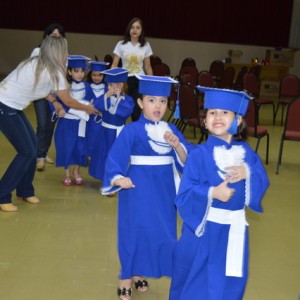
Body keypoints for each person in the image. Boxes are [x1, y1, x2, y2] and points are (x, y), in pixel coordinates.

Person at [169, 86, 270, 300]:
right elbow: (185, 193)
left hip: (233, 233)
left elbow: (262, 181)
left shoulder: (247, 155)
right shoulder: (198, 156)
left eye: (225, 113)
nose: (218, 117)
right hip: (203, 232)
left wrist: (248, 173)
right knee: (197, 285)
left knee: (227, 285)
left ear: (238, 120)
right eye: (212, 112)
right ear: (205, 121)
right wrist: (212, 192)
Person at [101, 75, 195, 300]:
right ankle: (126, 276)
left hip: (164, 192)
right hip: (137, 190)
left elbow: (187, 158)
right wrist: (117, 178)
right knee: (134, 231)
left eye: (163, 101)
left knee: (159, 233)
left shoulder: (171, 129)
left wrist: (178, 145)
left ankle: (141, 271)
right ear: (141, 103)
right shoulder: (131, 130)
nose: (158, 106)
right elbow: (115, 158)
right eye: (152, 100)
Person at [0, 36, 98, 212]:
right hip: (5, 107)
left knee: (33, 146)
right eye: (65, 51)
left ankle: (25, 190)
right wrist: (87, 109)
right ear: (57, 53)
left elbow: (40, 88)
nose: (67, 54)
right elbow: (69, 101)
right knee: (26, 151)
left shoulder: (40, 58)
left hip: (11, 106)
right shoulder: (56, 72)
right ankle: (2, 194)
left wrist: (53, 101)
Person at [31, 23, 66, 171]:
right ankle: (39, 156)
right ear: (46, 37)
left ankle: (43, 153)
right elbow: (35, 74)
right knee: (43, 124)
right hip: (40, 94)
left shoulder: (64, 54)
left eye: (58, 37)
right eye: (52, 36)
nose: (55, 39)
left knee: (51, 126)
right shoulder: (37, 51)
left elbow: (63, 76)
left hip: (55, 94)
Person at [54, 55, 94, 186]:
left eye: (82, 71)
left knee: (80, 147)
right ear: (69, 71)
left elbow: (91, 102)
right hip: (67, 122)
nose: (80, 74)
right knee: (66, 146)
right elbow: (57, 103)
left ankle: (76, 171)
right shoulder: (64, 87)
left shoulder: (87, 86)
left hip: (81, 123)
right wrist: (59, 110)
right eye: (76, 71)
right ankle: (66, 173)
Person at [88, 68, 134, 182]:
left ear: (124, 85)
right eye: (112, 84)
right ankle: (105, 178)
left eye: (119, 84)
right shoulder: (106, 97)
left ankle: (115, 178)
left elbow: (125, 112)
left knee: (117, 156)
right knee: (104, 154)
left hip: (118, 133)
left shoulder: (127, 99)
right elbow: (97, 105)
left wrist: (118, 98)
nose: (116, 87)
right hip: (104, 132)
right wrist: (107, 95)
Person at [111, 17, 153, 121]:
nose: (135, 30)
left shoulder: (146, 45)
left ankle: (136, 133)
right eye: (132, 27)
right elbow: (114, 64)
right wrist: (111, 81)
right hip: (124, 80)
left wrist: (152, 83)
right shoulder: (121, 44)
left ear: (141, 31)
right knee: (122, 107)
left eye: (138, 28)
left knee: (136, 109)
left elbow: (147, 67)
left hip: (139, 80)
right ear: (129, 29)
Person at [86, 61, 109, 157]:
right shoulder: (87, 86)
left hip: (103, 117)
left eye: (100, 75)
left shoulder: (107, 88)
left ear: (104, 76)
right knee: (90, 136)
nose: (96, 77)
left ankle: (100, 155)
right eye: (94, 75)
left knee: (102, 137)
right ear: (90, 75)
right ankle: (90, 155)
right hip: (90, 117)